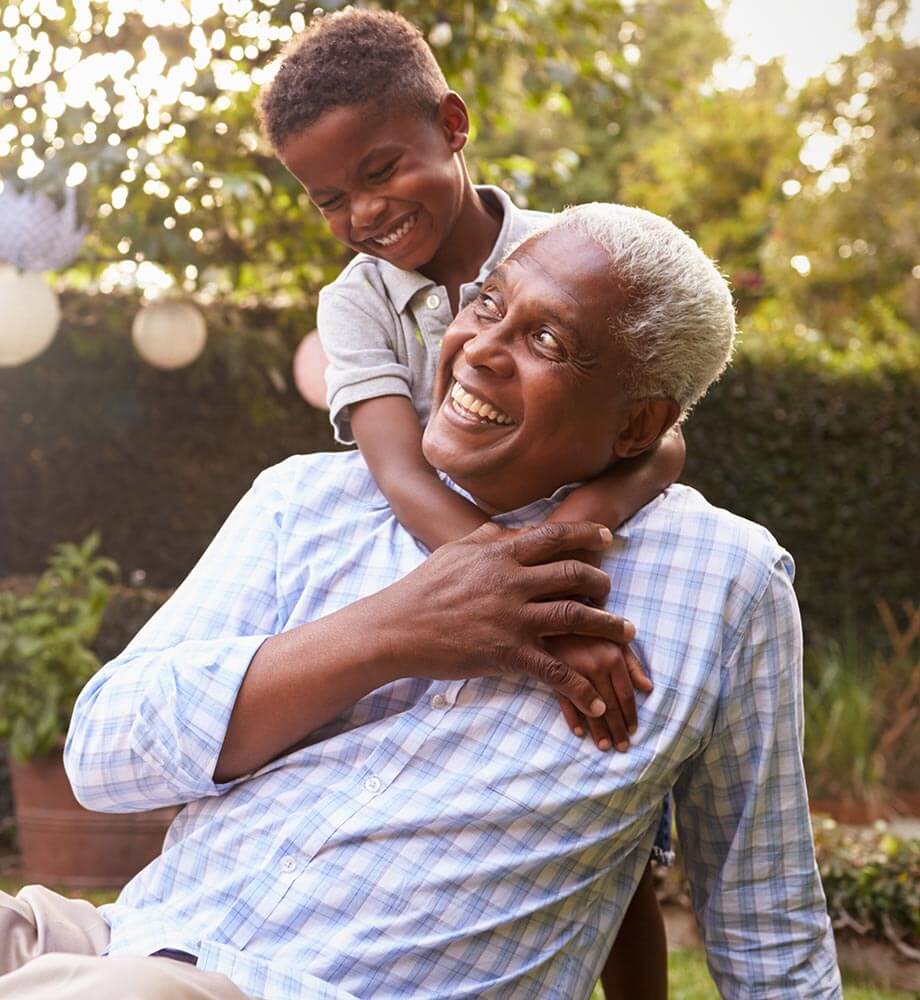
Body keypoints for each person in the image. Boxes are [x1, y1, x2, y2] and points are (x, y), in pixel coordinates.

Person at [1, 205, 842, 1000]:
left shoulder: (726, 584)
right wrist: (393, 631)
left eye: (546, 337)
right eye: (489, 303)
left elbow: (763, 916)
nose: (478, 347)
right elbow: (103, 760)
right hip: (117, 937)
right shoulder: (307, 502)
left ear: (637, 427)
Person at [259, 13, 679, 989]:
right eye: (327, 198)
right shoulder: (355, 302)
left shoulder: (574, 254)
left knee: (611, 854)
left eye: (378, 169)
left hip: (585, 574)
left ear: (451, 124)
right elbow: (400, 474)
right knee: (469, 823)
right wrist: (515, 596)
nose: (361, 213)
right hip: (442, 583)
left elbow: (663, 440)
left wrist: (566, 560)